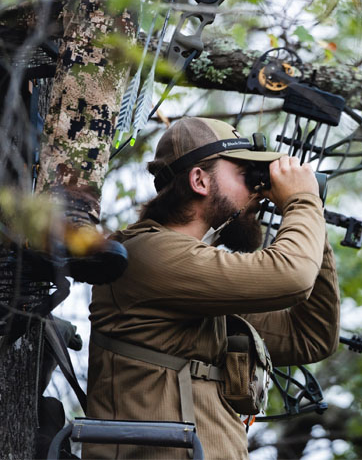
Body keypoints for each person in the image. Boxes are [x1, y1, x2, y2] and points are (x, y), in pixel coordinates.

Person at [84, 117, 340, 459]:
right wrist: (301, 203)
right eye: (246, 176)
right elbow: (292, 275)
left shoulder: (195, 276)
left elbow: (310, 336)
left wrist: (313, 219)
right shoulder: (151, 255)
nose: (257, 193)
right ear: (199, 180)